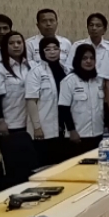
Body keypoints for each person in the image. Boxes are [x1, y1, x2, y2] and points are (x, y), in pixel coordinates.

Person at [0, 31, 37, 190]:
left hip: (29, 123)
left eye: (19, 42)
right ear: (5, 46)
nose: (16, 46)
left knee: (28, 164)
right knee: (11, 166)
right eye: (11, 43)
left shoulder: (31, 66)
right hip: (10, 123)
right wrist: (0, 121)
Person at [25, 37, 68, 167]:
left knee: (61, 165)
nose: (52, 52)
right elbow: (31, 101)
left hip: (63, 126)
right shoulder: (36, 72)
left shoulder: (65, 70)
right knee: (44, 165)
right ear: (41, 52)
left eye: (55, 48)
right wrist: (37, 127)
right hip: (44, 127)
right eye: (47, 49)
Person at [59, 44, 108, 157]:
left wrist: (106, 126)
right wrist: (72, 131)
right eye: (84, 58)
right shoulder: (69, 81)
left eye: (91, 58)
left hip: (99, 134)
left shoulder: (99, 80)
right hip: (78, 137)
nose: (88, 61)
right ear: (78, 60)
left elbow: (104, 106)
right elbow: (63, 109)